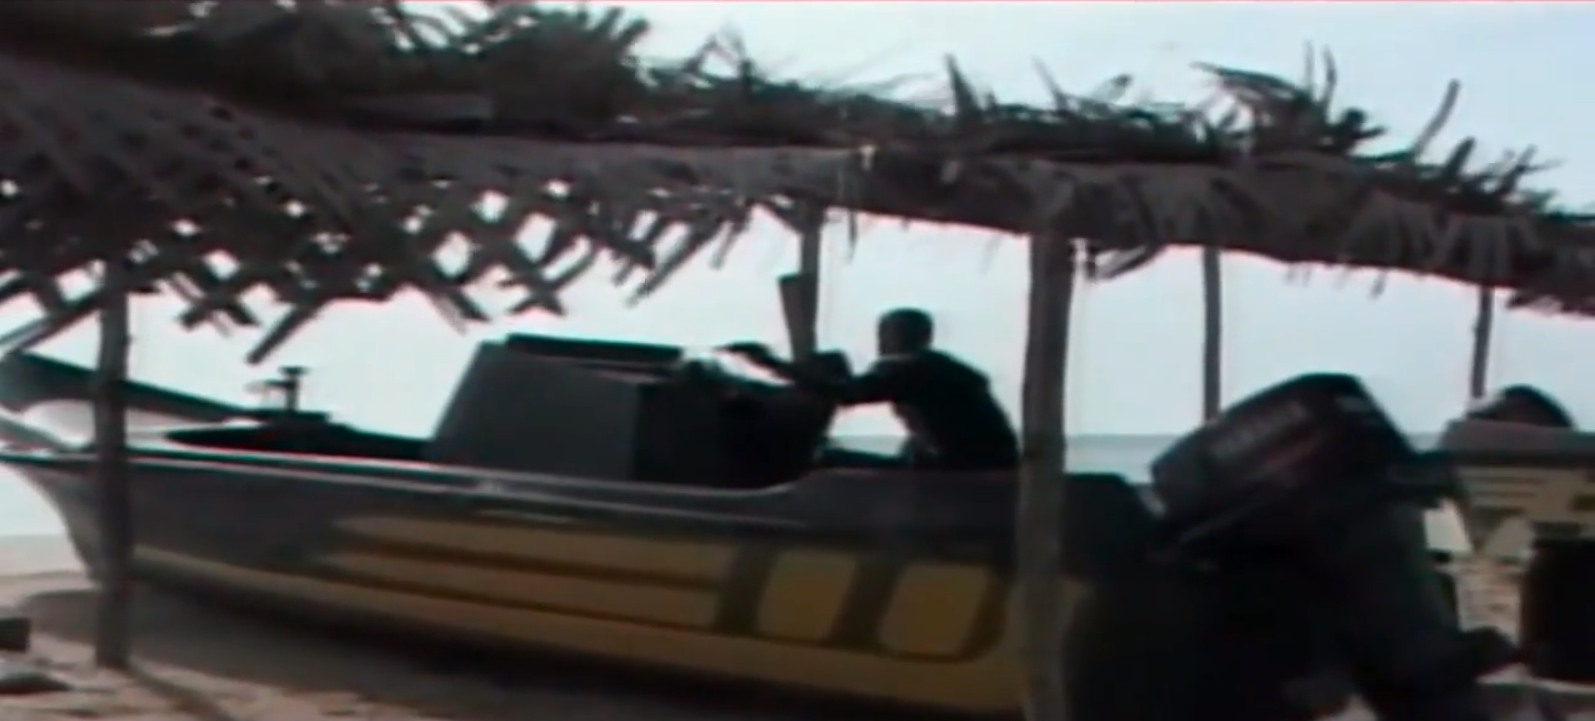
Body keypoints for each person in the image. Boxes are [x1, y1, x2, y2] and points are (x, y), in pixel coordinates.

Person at [723, 308, 1020, 471]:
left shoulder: (911, 369)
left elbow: (846, 393)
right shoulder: (943, 368)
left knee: (827, 463)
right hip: (985, 465)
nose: (881, 342)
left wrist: (770, 363)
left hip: (958, 472)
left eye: (887, 334)